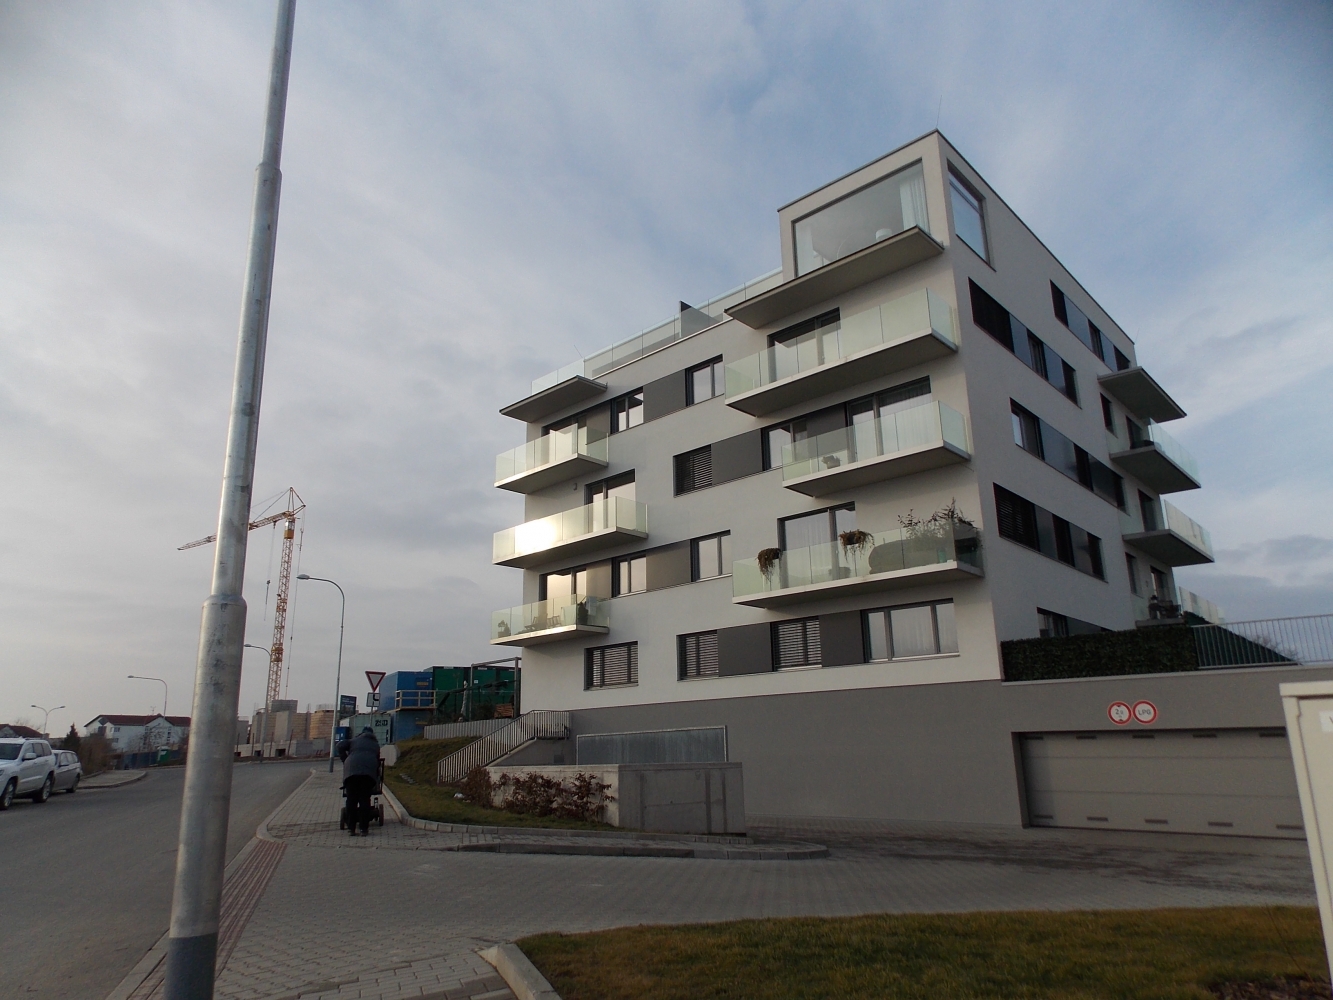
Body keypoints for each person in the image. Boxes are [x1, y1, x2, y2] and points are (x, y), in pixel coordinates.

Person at [336, 726, 380, 836]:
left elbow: (339, 745)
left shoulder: (353, 741)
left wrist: (345, 759)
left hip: (351, 772)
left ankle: (351, 828)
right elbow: (377, 761)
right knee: (364, 800)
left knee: (351, 800)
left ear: (361, 733)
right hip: (367, 775)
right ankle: (363, 829)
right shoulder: (375, 745)